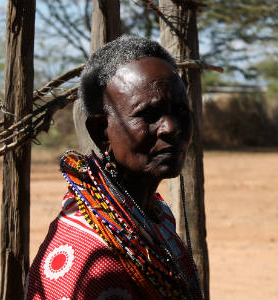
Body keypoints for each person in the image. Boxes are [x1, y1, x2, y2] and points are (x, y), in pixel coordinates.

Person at [26, 36, 203, 300]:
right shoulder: (89, 258)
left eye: (180, 111)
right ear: (101, 132)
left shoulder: (155, 215)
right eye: (150, 114)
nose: (172, 128)